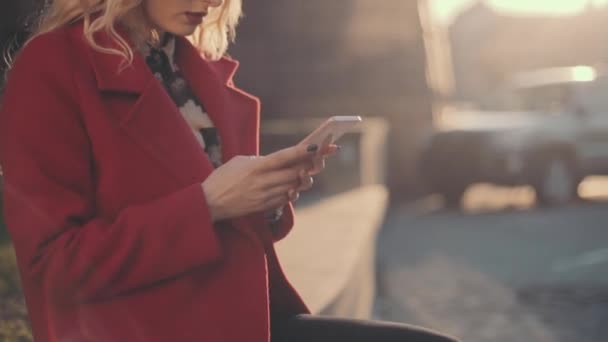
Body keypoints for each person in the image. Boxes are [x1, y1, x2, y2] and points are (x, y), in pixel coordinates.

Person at [0, 0, 459, 341]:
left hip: (243, 317)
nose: (210, 2)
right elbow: (54, 266)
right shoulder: (52, 67)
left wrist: (268, 197)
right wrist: (208, 203)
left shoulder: (191, 67)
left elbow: (227, 220)